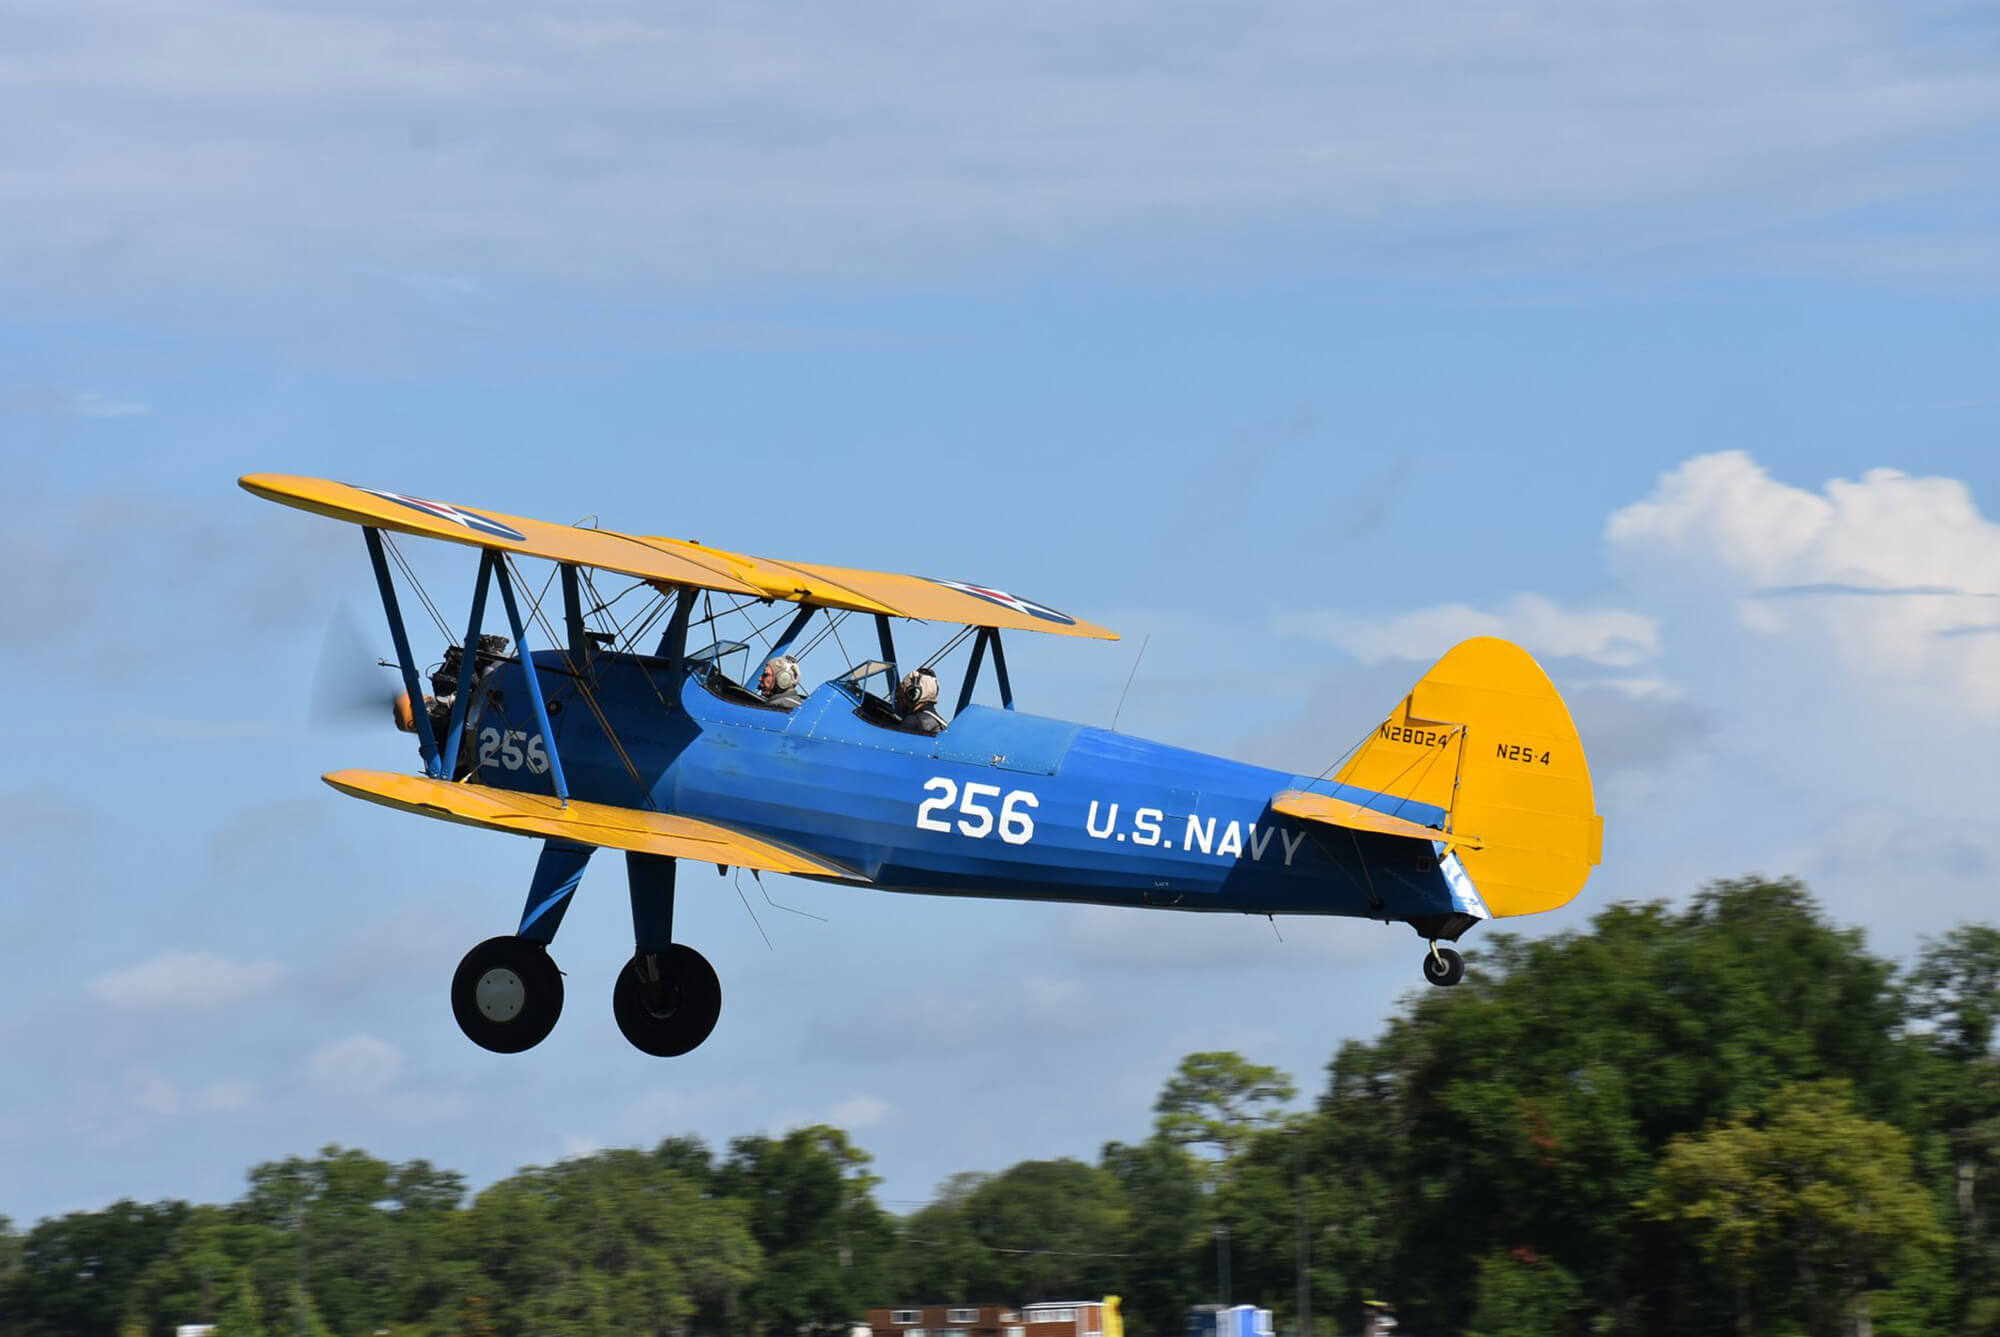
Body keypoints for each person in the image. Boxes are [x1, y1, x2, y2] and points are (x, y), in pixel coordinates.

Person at [897, 666, 945, 736]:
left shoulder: (912, 721)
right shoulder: (942, 725)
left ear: (913, 694)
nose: (898, 695)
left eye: (901, 690)